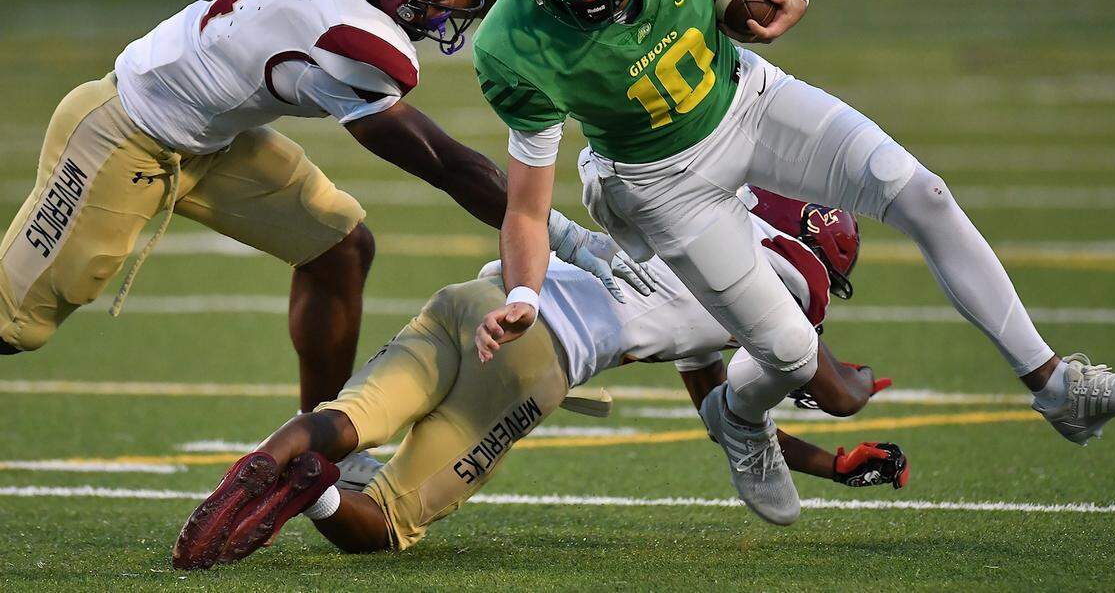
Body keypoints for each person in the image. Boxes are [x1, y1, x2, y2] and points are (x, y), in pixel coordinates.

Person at [470, 0, 1115, 521]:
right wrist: (525, 290)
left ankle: (1058, 385)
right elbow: (526, 210)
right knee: (790, 354)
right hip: (660, 181)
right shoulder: (513, 44)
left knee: (921, 192)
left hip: (748, 100)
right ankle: (737, 418)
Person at [0, 0, 650, 411]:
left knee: (339, 248)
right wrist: (563, 237)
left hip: (212, 138)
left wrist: (555, 1)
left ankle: (324, 444)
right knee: (13, 321)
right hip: (124, 135)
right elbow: (448, 167)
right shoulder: (342, 35)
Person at [171, 191, 907, 570]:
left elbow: (712, 398)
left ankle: (268, 461)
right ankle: (316, 489)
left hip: (480, 296)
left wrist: (825, 464)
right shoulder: (782, 281)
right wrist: (859, 387)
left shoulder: (695, 210)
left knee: (350, 414)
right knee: (389, 522)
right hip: (535, 357)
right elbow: (812, 389)